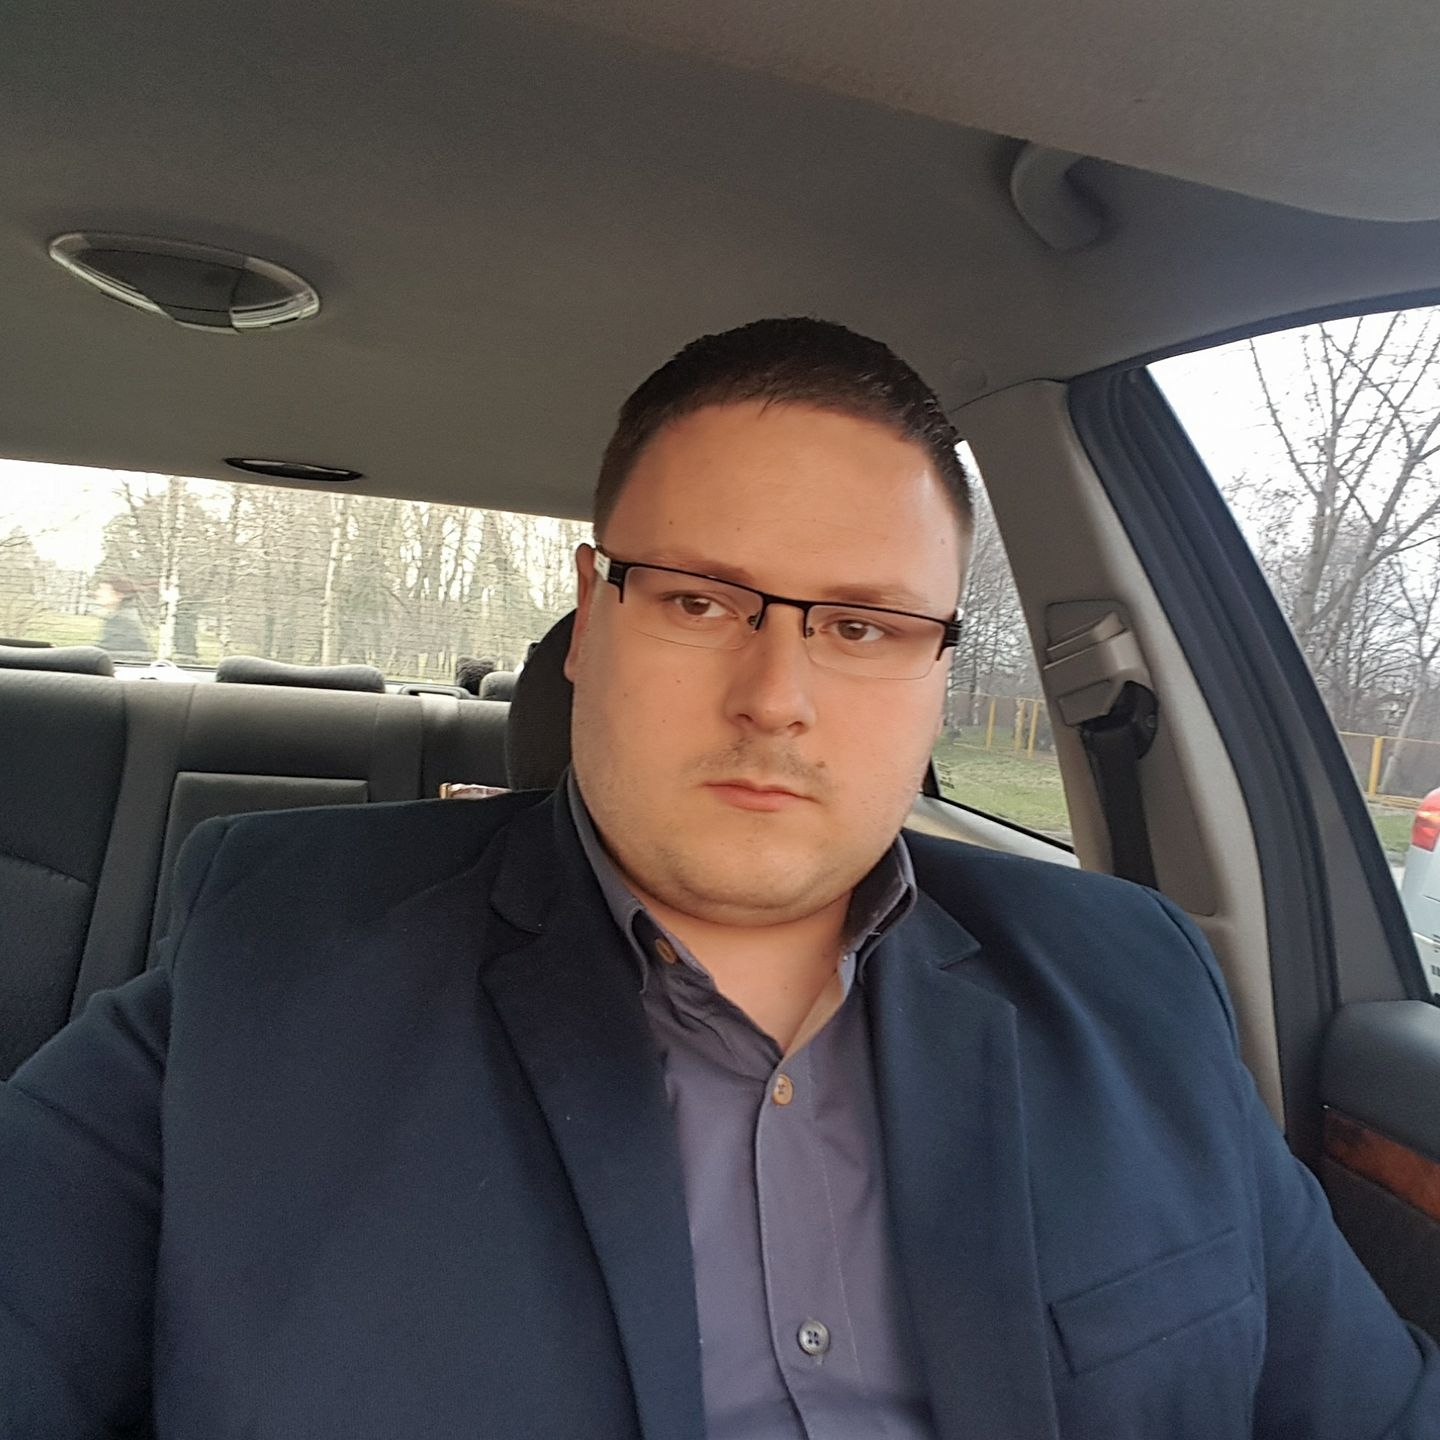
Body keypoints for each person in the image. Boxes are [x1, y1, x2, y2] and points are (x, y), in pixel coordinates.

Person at [2, 319, 1437, 1439]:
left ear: (940, 669)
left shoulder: (1131, 984)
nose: (776, 698)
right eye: (699, 600)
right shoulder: (271, 964)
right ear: (592, 617)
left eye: (864, 627)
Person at [93, 575, 151, 661]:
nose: (97, 593)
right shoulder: (121, 616)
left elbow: (104, 652)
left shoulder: (121, 621)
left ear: (118, 595)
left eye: (103, 589)